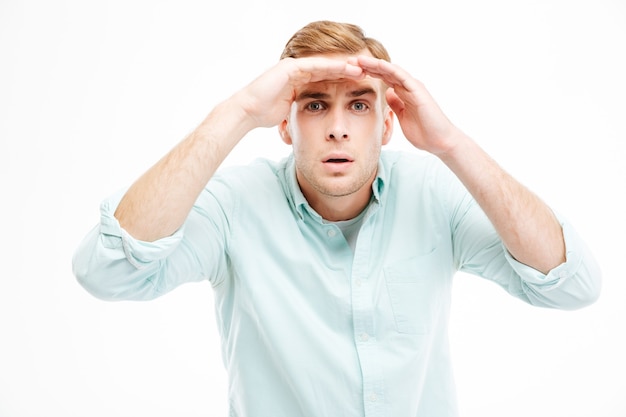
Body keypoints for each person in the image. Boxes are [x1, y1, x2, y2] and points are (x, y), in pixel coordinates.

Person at [73, 20, 601, 417]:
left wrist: (450, 143)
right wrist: (235, 113)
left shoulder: (434, 192)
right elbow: (107, 271)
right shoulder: (235, 204)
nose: (339, 129)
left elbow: (570, 284)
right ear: (285, 124)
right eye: (316, 105)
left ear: (388, 124)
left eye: (360, 106)